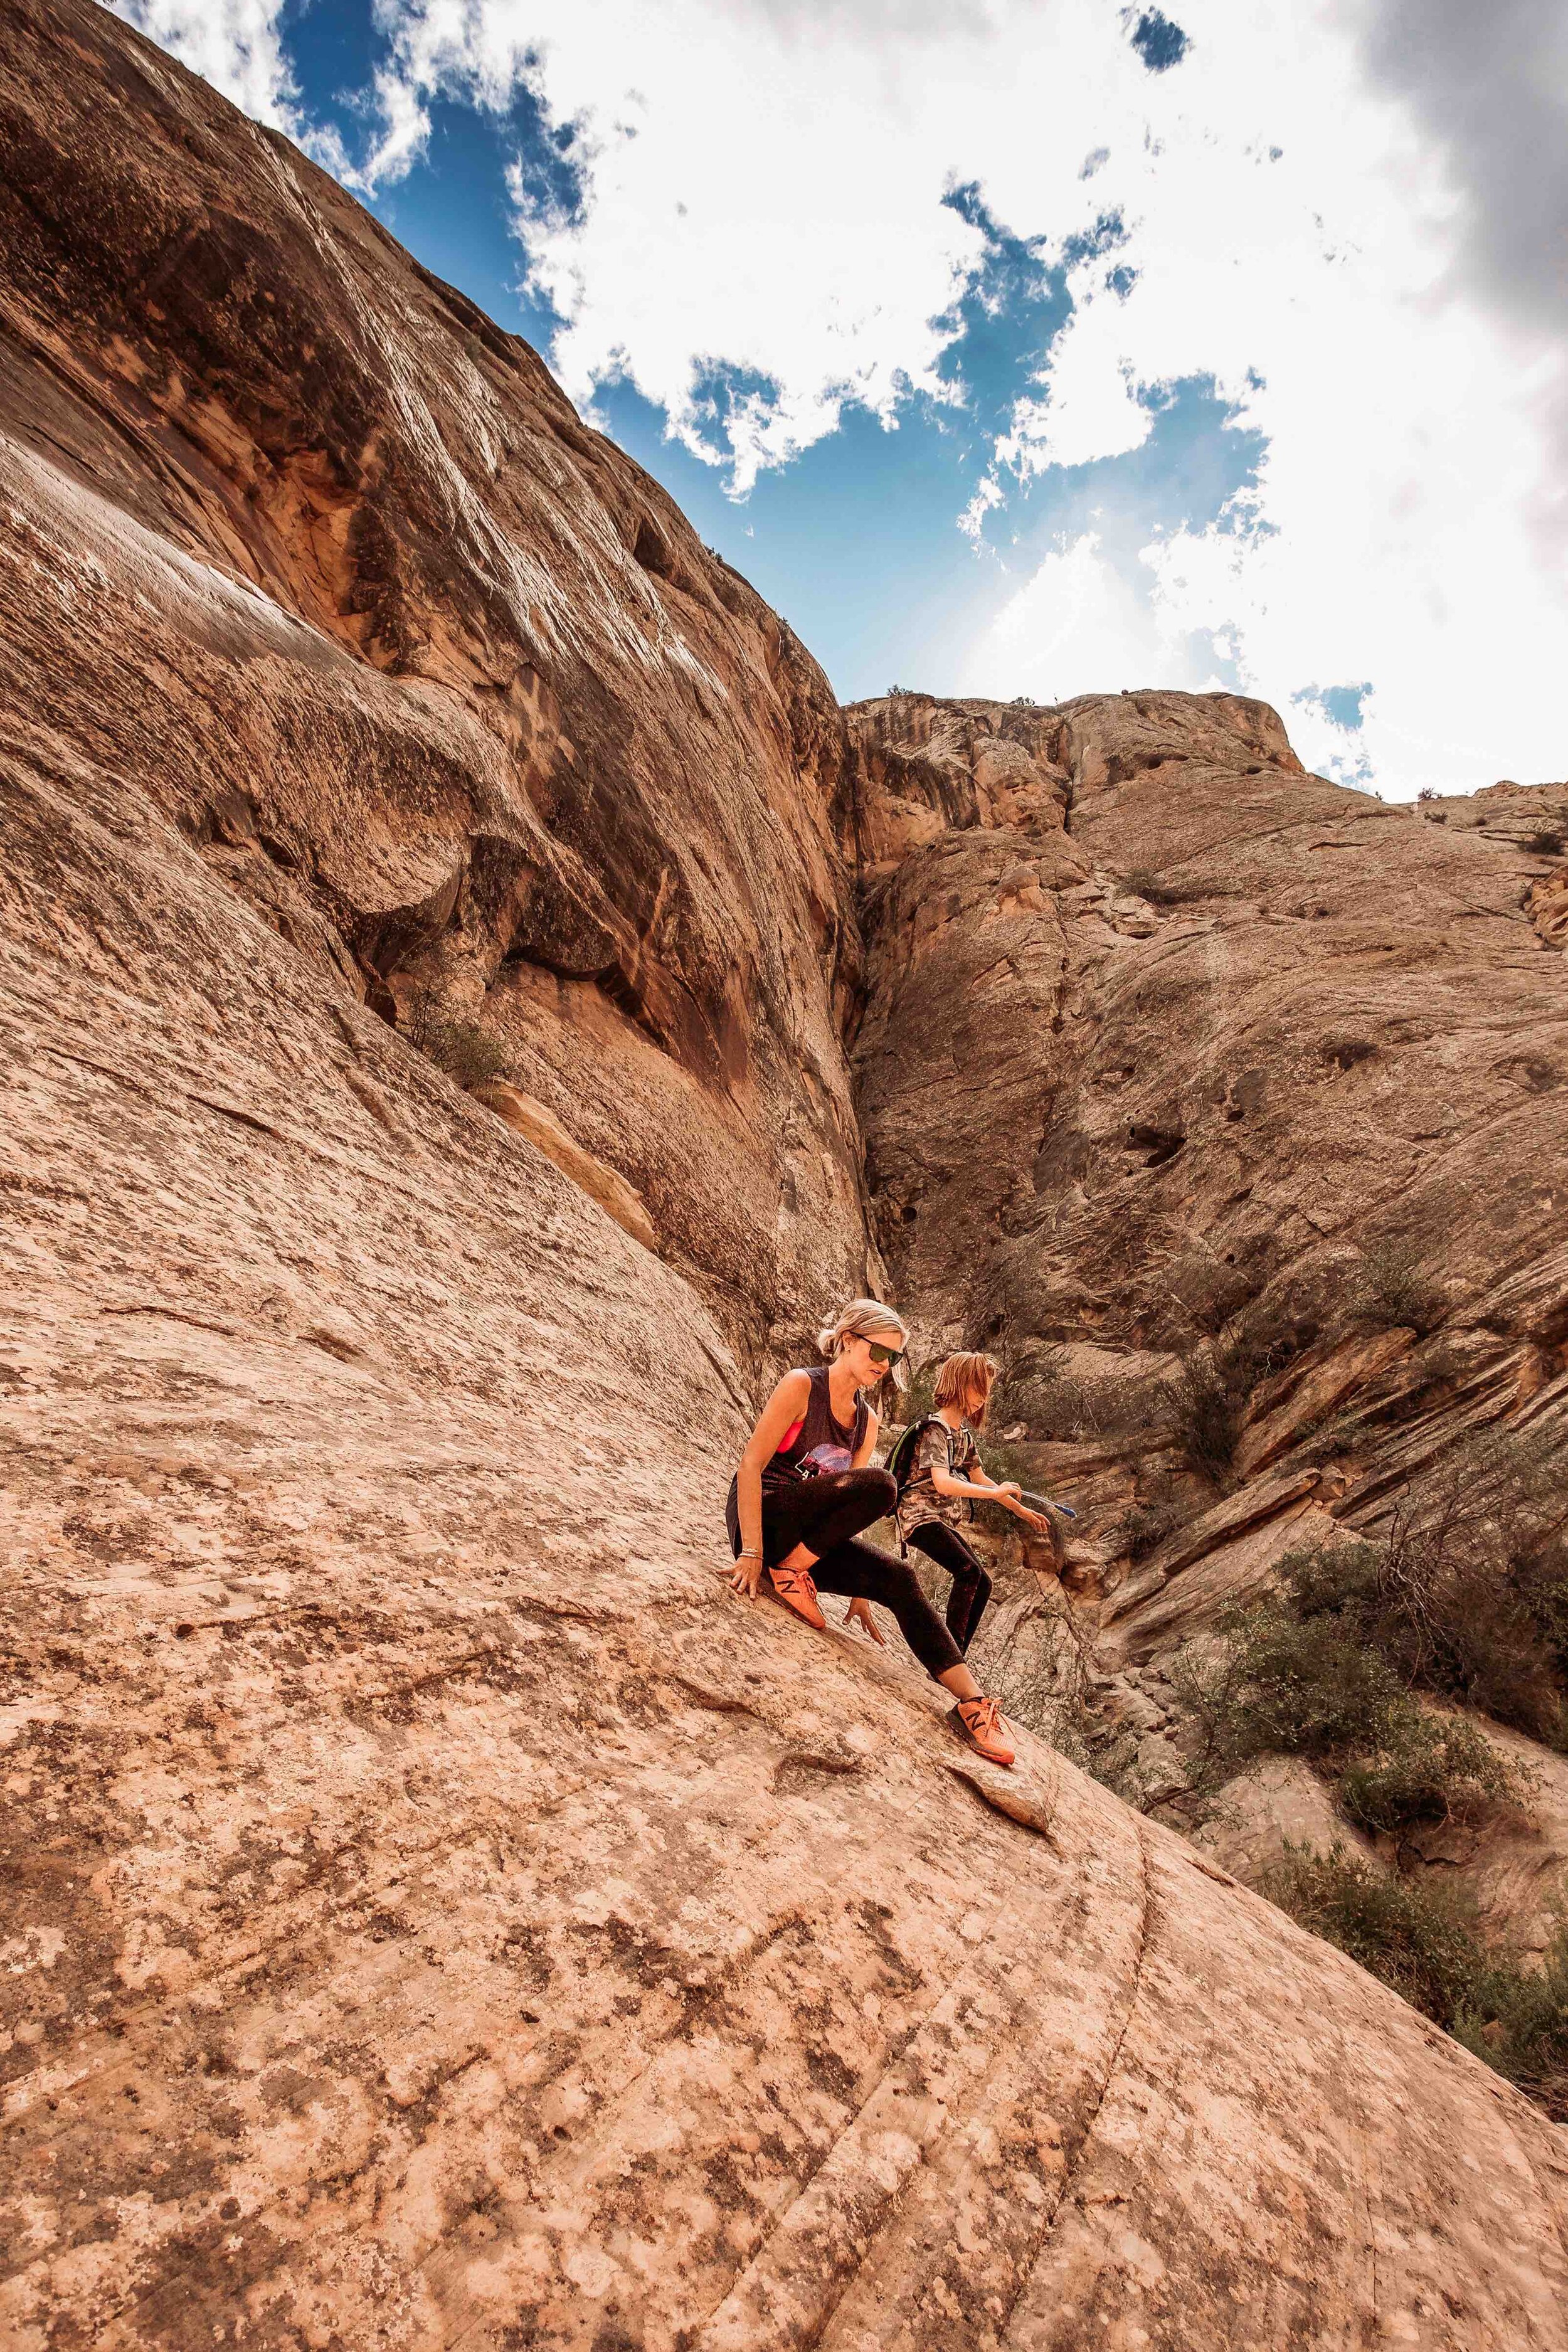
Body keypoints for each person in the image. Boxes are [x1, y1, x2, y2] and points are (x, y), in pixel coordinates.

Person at [726, 1300, 1017, 1767]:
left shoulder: (867, 1420)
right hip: (766, 1518)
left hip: (803, 1548)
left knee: (900, 1578)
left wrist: (861, 1591)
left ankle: (972, 1706)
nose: (883, 1365)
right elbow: (751, 1465)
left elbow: (850, 1509)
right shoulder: (803, 1386)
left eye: (894, 1359)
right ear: (846, 1340)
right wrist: (753, 1552)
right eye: (877, 1352)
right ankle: (787, 1572)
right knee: (884, 1484)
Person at [895, 1352, 1062, 1655]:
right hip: (919, 1515)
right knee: (968, 1572)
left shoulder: (963, 1435)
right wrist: (997, 1495)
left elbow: (981, 1478)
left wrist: (1020, 1510)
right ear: (960, 1382)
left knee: (982, 1582)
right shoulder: (935, 1430)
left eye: (986, 1392)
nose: (983, 1398)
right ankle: (947, 1655)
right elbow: (943, 1482)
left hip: (941, 1519)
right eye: (979, 1388)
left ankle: (955, 1655)